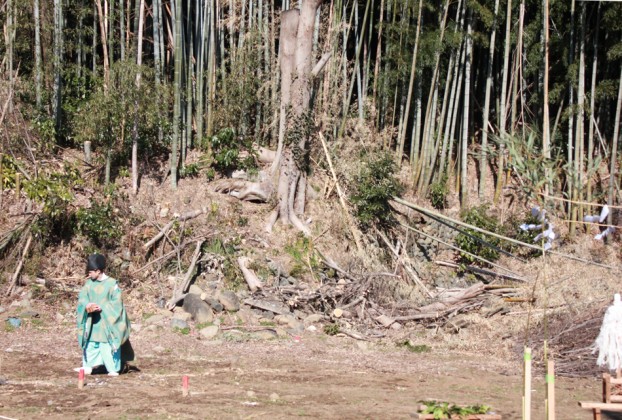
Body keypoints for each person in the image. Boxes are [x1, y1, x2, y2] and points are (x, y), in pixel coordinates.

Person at [75, 253, 132, 376]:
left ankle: (112, 368)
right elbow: (82, 297)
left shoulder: (112, 283)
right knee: (91, 343)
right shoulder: (89, 283)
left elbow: (117, 302)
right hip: (92, 321)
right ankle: (88, 366)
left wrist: (102, 307)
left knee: (107, 344)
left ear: (98, 271)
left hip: (107, 321)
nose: (88, 274)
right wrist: (87, 305)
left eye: (90, 272)